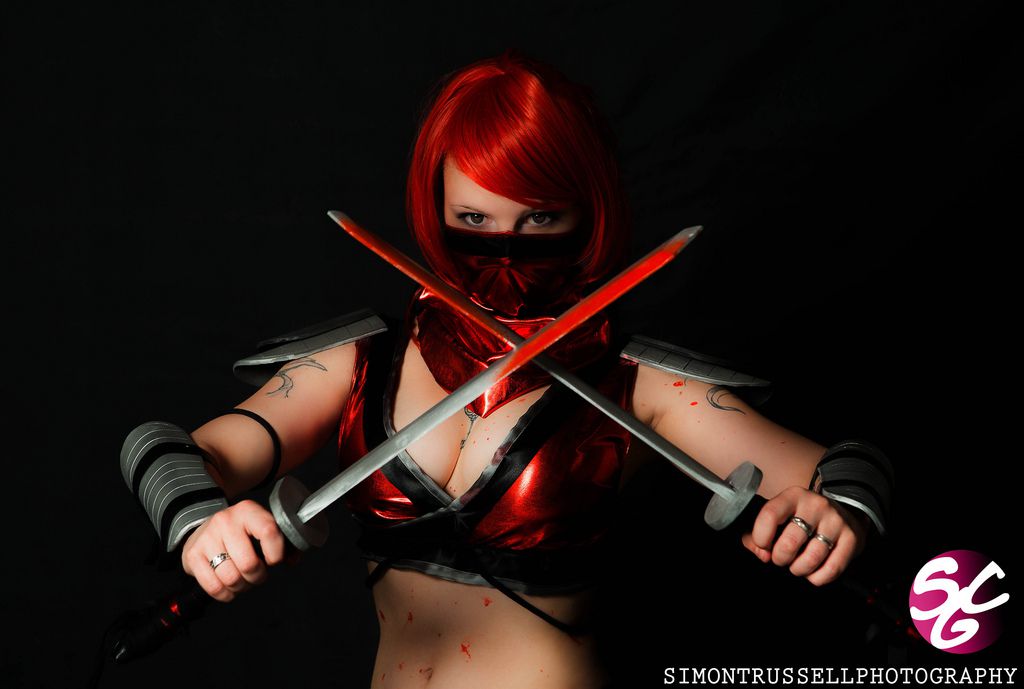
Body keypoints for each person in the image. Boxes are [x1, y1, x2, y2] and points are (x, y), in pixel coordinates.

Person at [120, 51, 892, 689]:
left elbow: (847, 471)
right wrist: (200, 525)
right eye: (474, 221)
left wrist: (837, 517)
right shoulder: (361, 361)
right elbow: (165, 448)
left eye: (540, 219)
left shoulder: (637, 381)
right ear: (437, 211)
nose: (507, 252)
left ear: (586, 213)